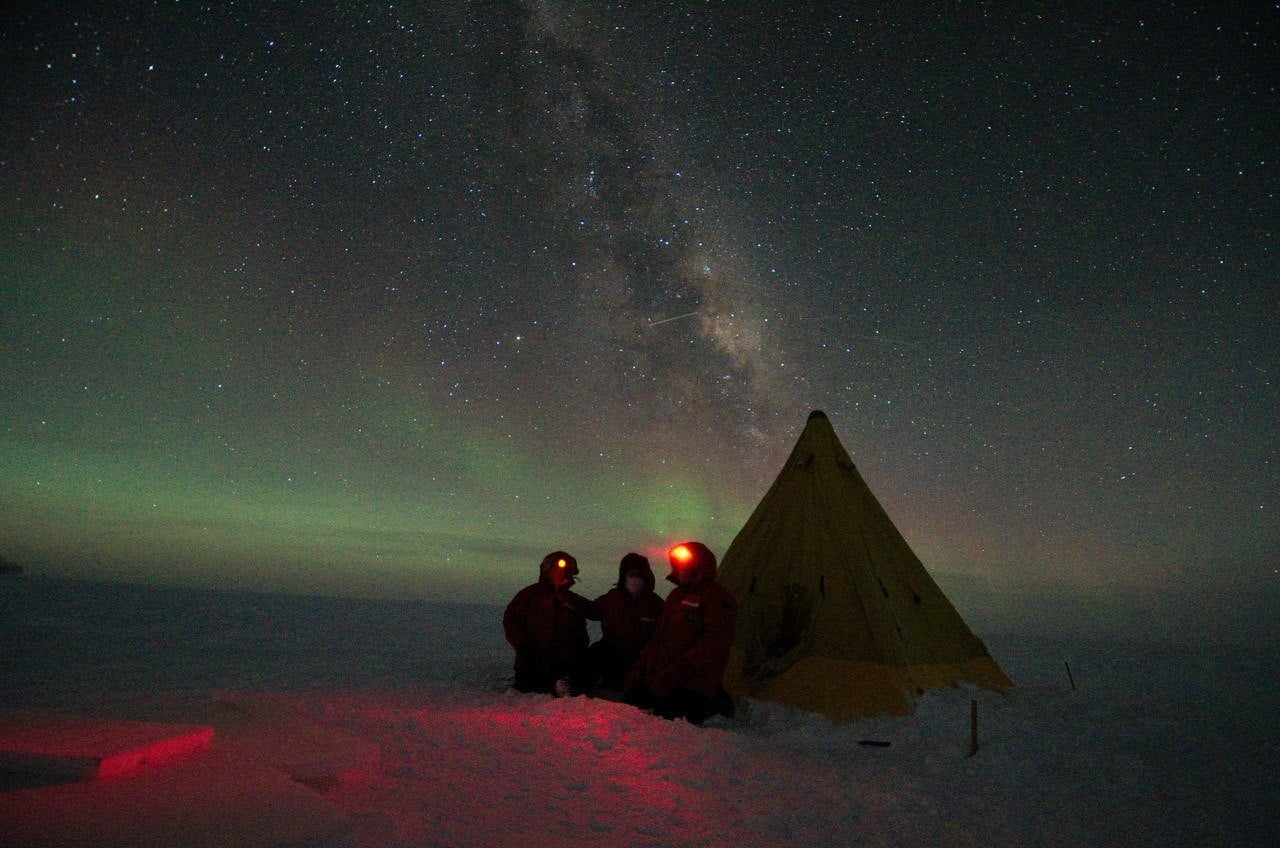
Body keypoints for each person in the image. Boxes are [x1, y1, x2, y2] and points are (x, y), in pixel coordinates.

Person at [625, 541, 737, 723]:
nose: (680, 569)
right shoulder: (675, 597)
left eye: (684, 565)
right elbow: (659, 638)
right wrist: (643, 667)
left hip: (694, 678)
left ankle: (713, 701)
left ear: (697, 566)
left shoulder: (717, 598)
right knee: (631, 702)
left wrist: (680, 669)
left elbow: (714, 643)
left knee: (666, 717)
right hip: (667, 674)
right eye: (677, 565)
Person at [502, 550, 595, 695]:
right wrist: (523, 644)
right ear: (547, 570)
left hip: (564, 659)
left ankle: (562, 684)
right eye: (557, 569)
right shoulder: (529, 595)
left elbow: (596, 610)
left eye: (566, 570)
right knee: (529, 685)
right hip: (533, 658)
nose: (562, 573)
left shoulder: (572, 600)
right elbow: (511, 621)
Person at [586, 552, 664, 692]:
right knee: (594, 653)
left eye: (639, 575)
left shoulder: (656, 604)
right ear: (624, 576)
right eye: (631, 575)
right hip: (611, 653)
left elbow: (667, 630)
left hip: (640, 658)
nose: (635, 580)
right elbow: (589, 608)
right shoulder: (613, 598)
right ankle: (575, 686)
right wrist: (565, 598)